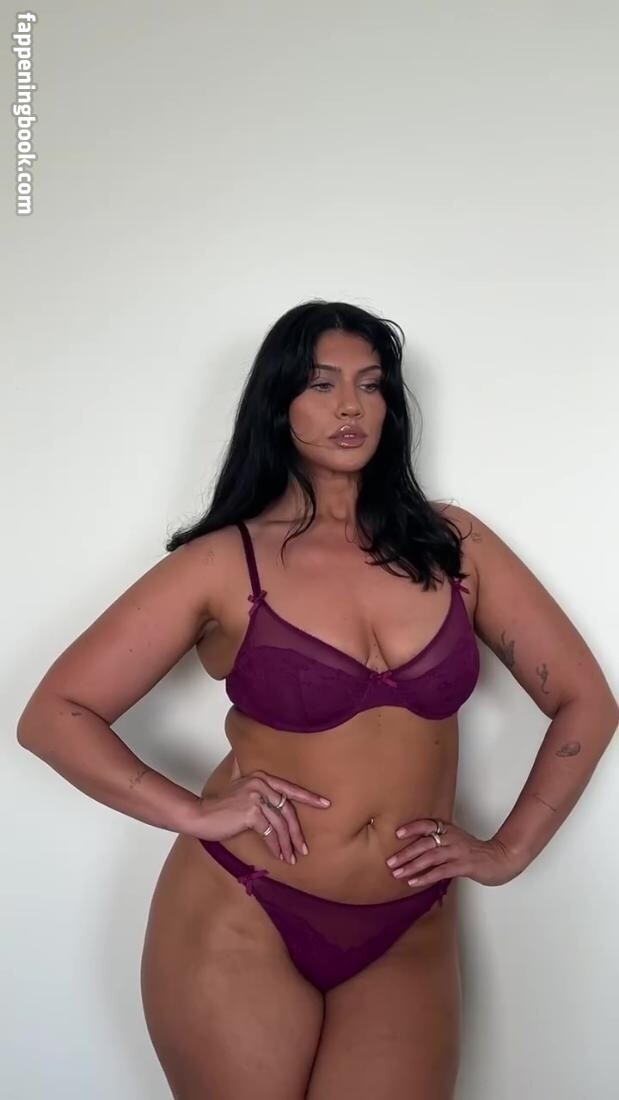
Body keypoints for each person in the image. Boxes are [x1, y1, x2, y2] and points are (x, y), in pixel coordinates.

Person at [17, 300, 618, 1100]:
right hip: (243, 907)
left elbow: (585, 701)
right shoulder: (223, 563)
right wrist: (194, 813)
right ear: (278, 402)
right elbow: (55, 714)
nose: (349, 407)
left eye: (371, 386)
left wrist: (509, 851)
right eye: (321, 383)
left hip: (409, 925)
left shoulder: (452, 546)